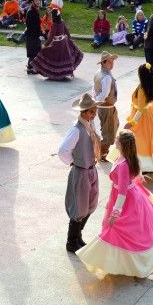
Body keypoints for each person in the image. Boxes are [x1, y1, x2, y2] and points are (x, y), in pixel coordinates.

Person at [77, 130, 153, 277]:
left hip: (125, 200)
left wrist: (115, 213)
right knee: (120, 231)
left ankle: (113, 262)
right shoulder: (125, 156)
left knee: (115, 228)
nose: (115, 141)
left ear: (122, 144)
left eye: (117, 139)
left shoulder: (124, 164)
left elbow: (123, 192)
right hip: (127, 195)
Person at [108, 63, 153, 175]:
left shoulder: (142, 88)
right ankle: (150, 166)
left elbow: (141, 110)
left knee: (139, 142)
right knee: (149, 142)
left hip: (141, 118)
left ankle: (143, 166)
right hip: (149, 116)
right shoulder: (150, 85)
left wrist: (131, 123)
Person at [58, 93, 102, 253]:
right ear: (83, 112)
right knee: (79, 207)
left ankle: (78, 236)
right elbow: (62, 150)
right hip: (82, 171)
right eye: (91, 112)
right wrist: (74, 162)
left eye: (94, 111)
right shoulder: (76, 130)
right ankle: (71, 241)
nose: (94, 115)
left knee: (90, 204)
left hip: (91, 170)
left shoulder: (89, 125)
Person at [31, 8, 83, 80]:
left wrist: (45, 45)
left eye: (51, 15)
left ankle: (53, 73)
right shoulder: (62, 22)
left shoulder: (54, 25)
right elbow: (66, 30)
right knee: (63, 58)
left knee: (45, 53)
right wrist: (69, 38)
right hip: (64, 43)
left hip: (57, 44)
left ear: (53, 16)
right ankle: (64, 73)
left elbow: (51, 37)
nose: (51, 16)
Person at [93, 52, 119, 158]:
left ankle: (102, 150)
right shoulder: (107, 76)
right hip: (106, 106)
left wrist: (95, 101)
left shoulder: (99, 73)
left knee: (112, 127)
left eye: (112, 61)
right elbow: (104, 94)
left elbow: (94, 88)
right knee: (109, 132)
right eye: (109, 61)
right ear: (103, 63)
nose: (112, 63)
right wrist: (97, 101)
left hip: (104, 106)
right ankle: (102, 153)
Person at [23, 0, 43, 74]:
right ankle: (30, 68)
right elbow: (32, 26)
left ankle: (31, 67)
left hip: (35, 35)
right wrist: (39, 34)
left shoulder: (35, 10)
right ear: (32, 2)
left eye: (39, 0)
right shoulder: (31, 11)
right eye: (36, 1)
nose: (38, 2)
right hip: (32, 35)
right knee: (33, 52)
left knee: (36, 51)